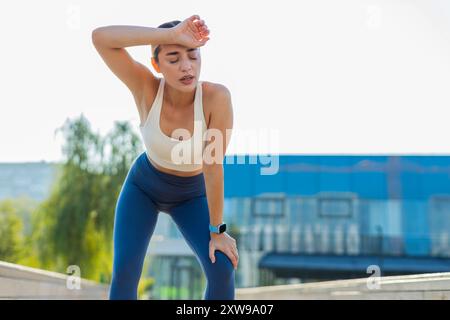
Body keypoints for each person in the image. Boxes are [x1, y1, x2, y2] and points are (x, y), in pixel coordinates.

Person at [92, 15, 238, 300]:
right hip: (143, 187)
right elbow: (101, 38)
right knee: (125, 271)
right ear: (157, 65)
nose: (187, 67)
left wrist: (218, 231)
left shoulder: (215, 97)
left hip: (192, 194)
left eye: (192, 55)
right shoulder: (146, 86)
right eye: (173, 58)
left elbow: (212, 165)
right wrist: (171, 36)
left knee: (222, 267)